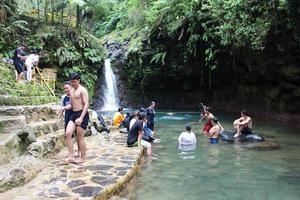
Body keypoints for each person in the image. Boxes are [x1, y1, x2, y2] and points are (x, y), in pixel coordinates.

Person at [63, 72, 89, 163]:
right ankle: (71, 156)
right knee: (68, 133)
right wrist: (64, 108)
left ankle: (82, 157)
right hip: (73, 114)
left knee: (80, 137)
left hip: (82, 114)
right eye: (72, 82)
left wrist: (81, 118)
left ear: (79, 80)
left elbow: (86, 105)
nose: (73, 84)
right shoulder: (71, 91)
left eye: (75, 82)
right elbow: (71, 104)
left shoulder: (83, 90)